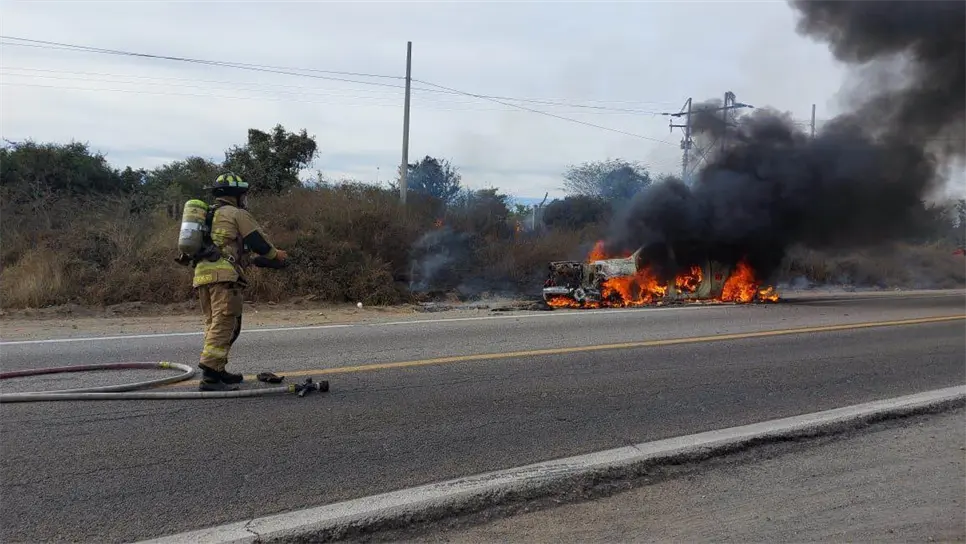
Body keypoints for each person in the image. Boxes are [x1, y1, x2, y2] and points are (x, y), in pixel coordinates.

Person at [191, 173, 287, 391]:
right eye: (242, 193)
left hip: (202, 276)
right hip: (224, 278)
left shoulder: (208, 215)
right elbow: (258, 243)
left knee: (214, 323)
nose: (244, 197)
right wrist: (276, 256)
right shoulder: (236, 214)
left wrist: (260, 261)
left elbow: (236, 251)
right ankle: (210, 376)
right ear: (236, 195)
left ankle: (219, 370)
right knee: (226, 324)